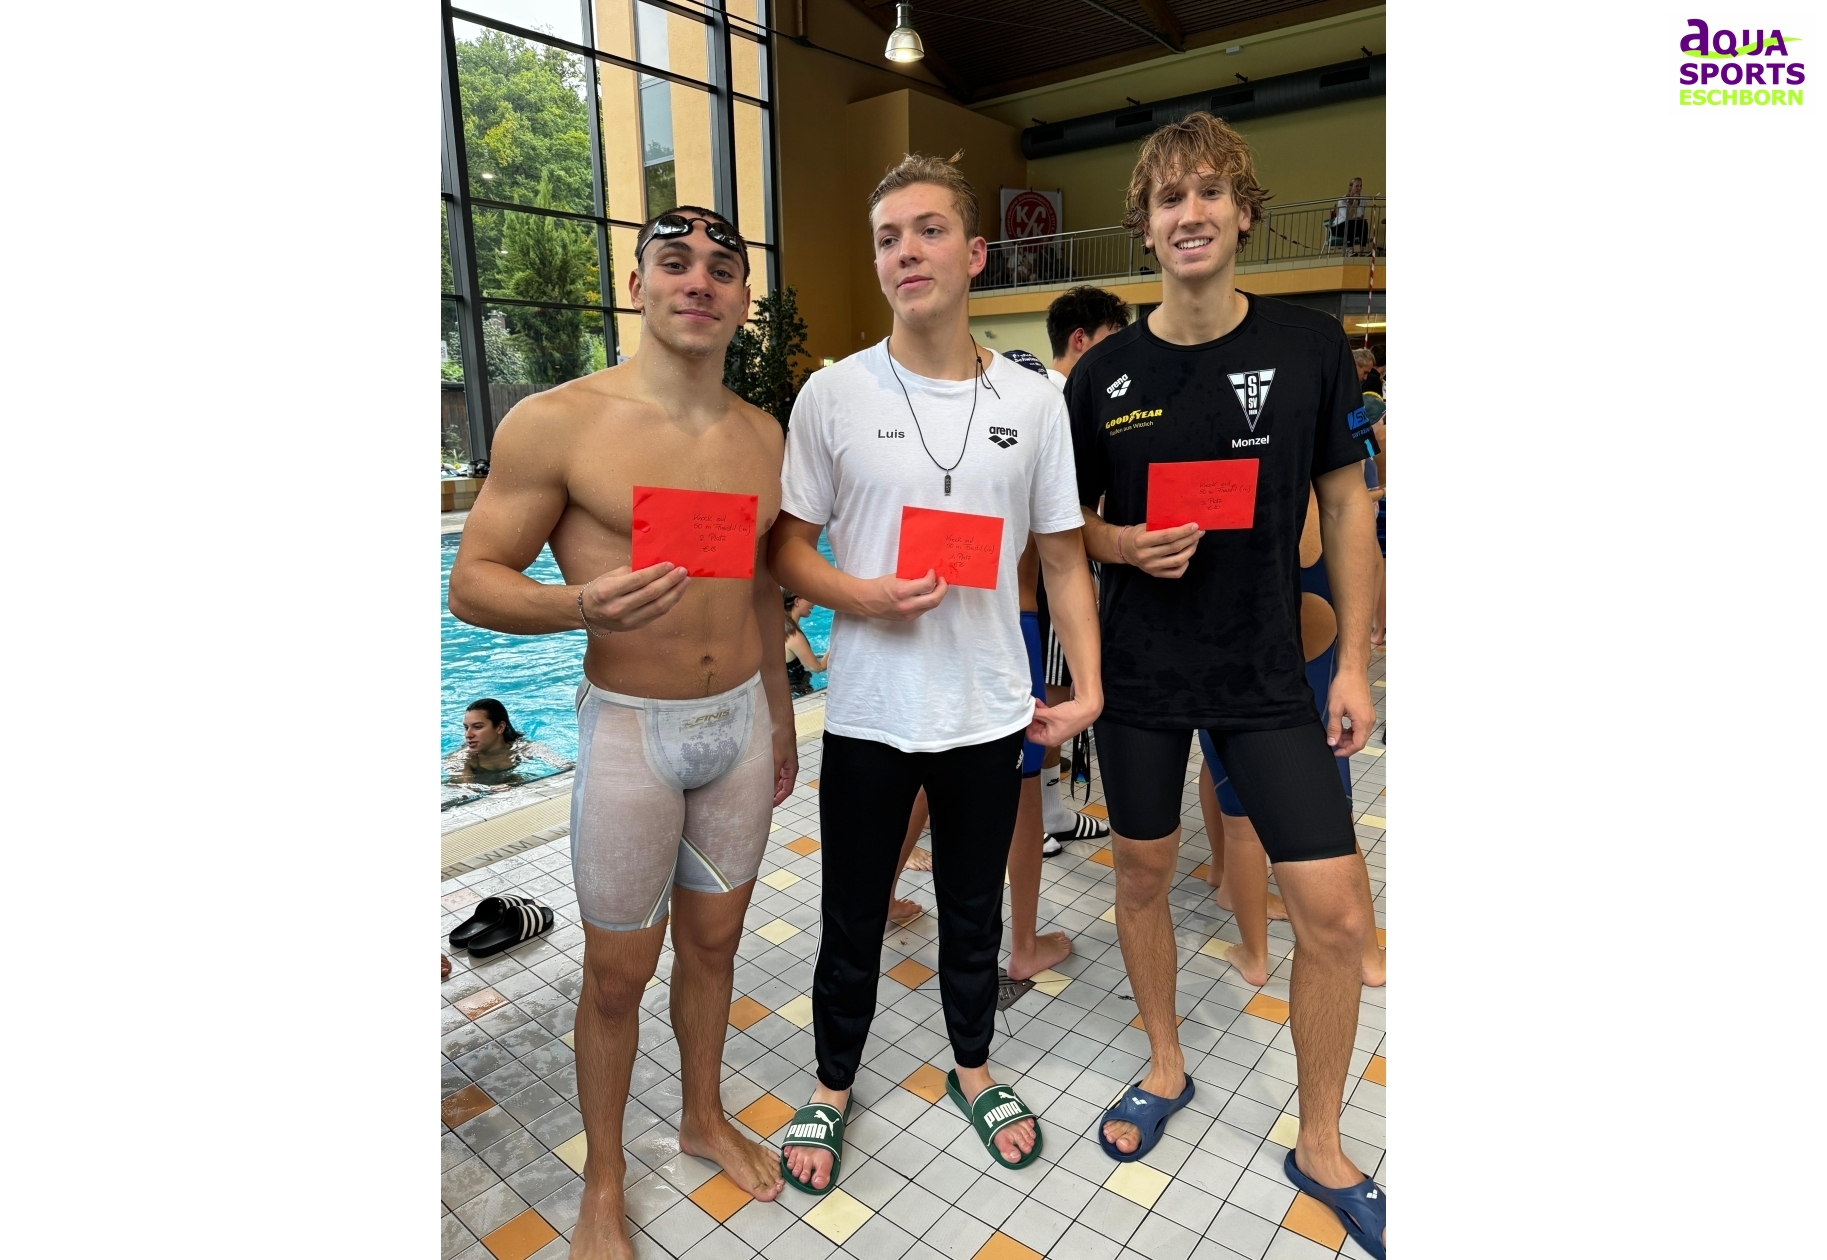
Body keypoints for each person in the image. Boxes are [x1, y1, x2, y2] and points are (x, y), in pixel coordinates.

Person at [446, 206, 796, 1260]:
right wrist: (578, 604)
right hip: (629, 735)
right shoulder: (557, 422)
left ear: (742, 300)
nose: (699, 282)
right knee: (614, 975)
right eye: (675, 263)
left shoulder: (762, 435)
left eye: (722, 269)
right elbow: (474, 581)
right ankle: (603, 1178)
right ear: (637, 284)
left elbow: (763, 589)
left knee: (717, 943)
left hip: (737, 728)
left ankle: (701, 1116)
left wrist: (780, 720)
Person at [1065, 114, 1386, 1257]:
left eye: (1210, 192)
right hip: (1144, 678)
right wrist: (1119, 545)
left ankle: (1322, 1142)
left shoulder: (1310, 346)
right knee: (1143, 875)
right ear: (1145, 226)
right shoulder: (1102, 376)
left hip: (1267, 675)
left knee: (1337, 917)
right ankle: (1165, 1063)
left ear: (1245, 212)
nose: (1190, 213)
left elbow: (1348, 505)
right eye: (1169, 198)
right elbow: (1065, 527)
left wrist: (1357, 664)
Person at [768, 152, 1103, 1193]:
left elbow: (1062, 556)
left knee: (971, 907)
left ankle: (974, 1067)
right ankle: (831, 1085)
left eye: (927, 230)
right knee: (850, 914)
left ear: (975, 253)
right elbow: (787, 549)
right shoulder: (832, 394)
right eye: (887, 238)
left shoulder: (1035, 402)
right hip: (870, 709)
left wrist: (1088, 688)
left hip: (987, 708)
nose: (905, 252)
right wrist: (858, 595)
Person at [1198, 491, 1385, 990]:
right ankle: (1370, 957)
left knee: (1242, 823)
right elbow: (1371, 561)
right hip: (1316, 671)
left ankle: (1253, 954)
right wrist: (1370, 637)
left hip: (1231, 664)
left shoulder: (1231, 490)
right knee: (1335, 816)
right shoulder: (1337, 494)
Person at [441, 698, 571, 788]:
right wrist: (490, 789)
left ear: (500, 727)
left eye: (477, 727)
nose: (468, 735)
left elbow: (567, 767)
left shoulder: (523, 749)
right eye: (466, 727)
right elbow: (466, 790)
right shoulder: (461, 759)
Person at [783, 592, 829, 697]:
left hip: (787, 689)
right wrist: (835, 644)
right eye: (809, 598)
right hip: (798, 691)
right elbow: (817, 668)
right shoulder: (794, 635)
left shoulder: (783, 625)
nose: (814, 603)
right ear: (797, 601)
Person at [1330, 176, 1369, 253]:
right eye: (1356, 186)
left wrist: (1360, 218)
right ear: (1351, 187)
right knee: (1350, 223)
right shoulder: (1342, 200)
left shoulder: (1363, 199)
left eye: (1361, 186)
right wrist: (1355, 202)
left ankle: (1363, 249)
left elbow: (1362, 215)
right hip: (1339, 227)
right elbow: (1348, 217)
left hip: (1353, 226)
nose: (1359, 188)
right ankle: (1349, 249)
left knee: (1364, 223)